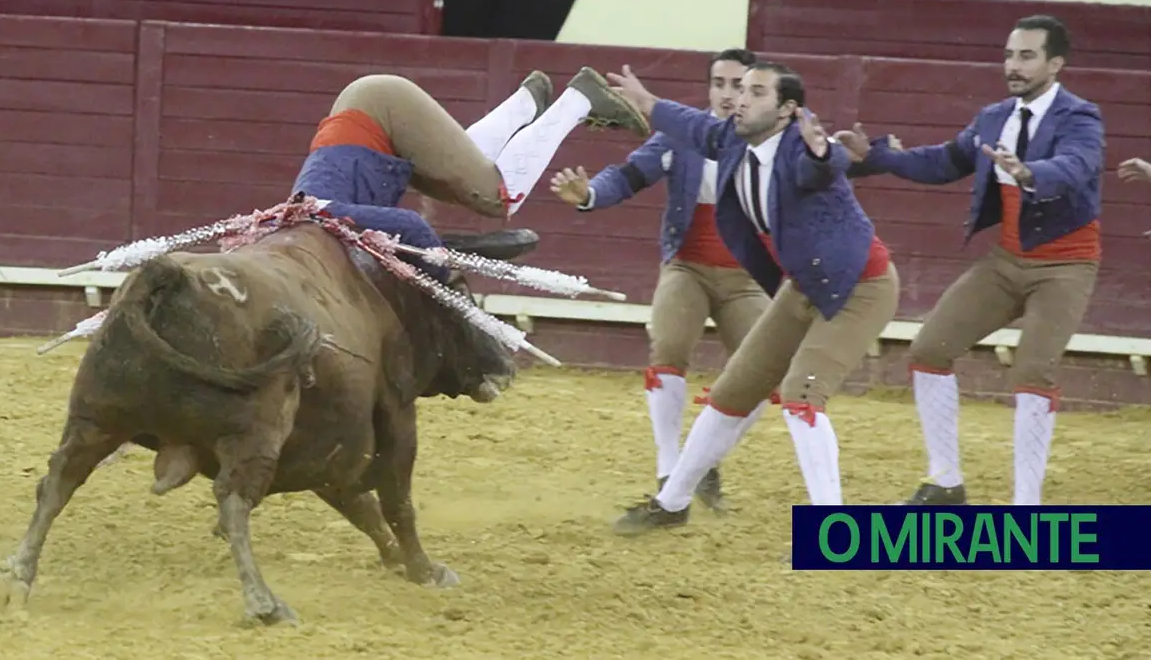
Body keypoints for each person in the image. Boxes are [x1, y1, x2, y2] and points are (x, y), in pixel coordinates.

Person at [603, 61, 900, 535]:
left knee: (802, 395)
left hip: (859, 287)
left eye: (756, 92)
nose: (740, 99)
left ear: (786, 111)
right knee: (730, 394)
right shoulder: (732, 142)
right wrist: (645, 101)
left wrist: (826, 154)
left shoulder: (801, 148)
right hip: (804, 285)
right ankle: (672, 502)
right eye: (741, 89)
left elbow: (825, 164)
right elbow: (693, 124)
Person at [838, 14, 1104, 507]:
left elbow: (1076, 166)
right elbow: (943, 161)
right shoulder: (994, 117)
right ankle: (944, 481)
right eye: (1009, 54)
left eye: (1026, 56)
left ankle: (1027, 506)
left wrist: (1029, 172)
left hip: (1065, 265)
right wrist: (873, 158)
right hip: (1006, 260)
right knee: (929, 350)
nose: (1013, 65)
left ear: (1056, 63)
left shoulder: (1080, 117)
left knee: (1032, 372)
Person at [547, 48, 769, 511]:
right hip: (687, 266)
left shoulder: (773, 142)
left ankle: (699, 463)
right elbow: (629, 176)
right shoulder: (684, 134)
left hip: (748, 277)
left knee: (764, 375)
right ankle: (670, 470)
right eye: (720, 84)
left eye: (739, 85)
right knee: (669, 349)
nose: (728, 95)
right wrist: (590, 194)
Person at [291, 67, 650, 281]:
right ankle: (524, 104)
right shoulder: (300, 226)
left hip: (378, 113)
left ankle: (581, 98)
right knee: (458, 184)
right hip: (373, 116)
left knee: (498, 197)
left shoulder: (317, 221)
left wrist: (441, 275)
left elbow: (412, 227)